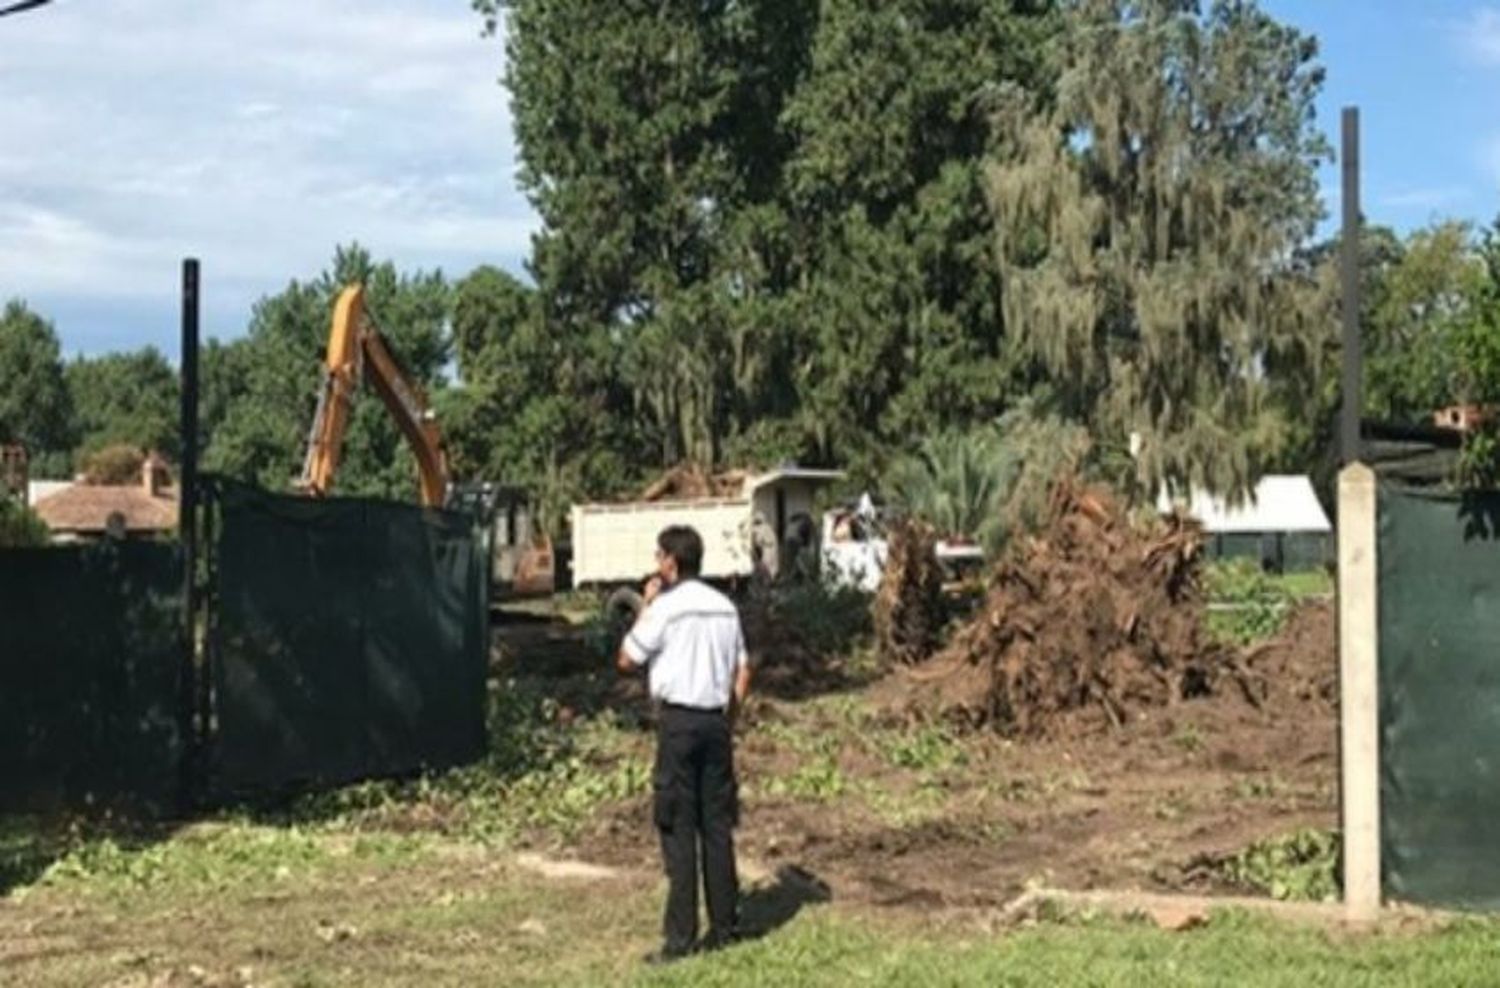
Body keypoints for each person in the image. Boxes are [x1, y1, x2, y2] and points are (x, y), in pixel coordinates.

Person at [617, 525, 753, 964]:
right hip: (715, 724)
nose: (656, 565)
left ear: (671, 562)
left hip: (677, 724)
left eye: (659, 557)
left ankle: (680, 938)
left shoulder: (667, 608)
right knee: (717, 826)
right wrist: (726, 722)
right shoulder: (725, 608)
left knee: (677, 828)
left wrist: (648, 605)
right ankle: (726, 925)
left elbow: (627, 658)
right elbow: (743, 674)